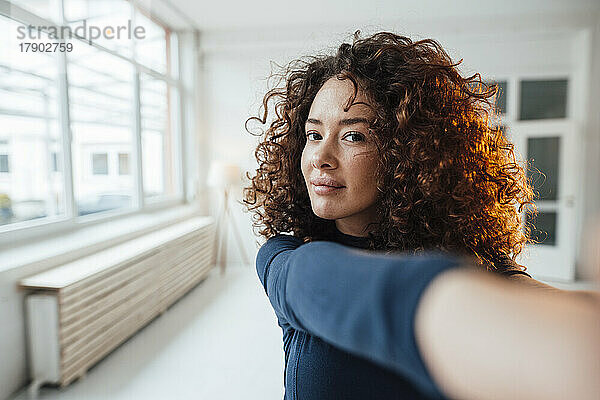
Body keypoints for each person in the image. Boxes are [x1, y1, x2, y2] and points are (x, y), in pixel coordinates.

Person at [243, 31, 600, 400]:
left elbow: (526, 297)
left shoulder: (468, 261)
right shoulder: (284, 256)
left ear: (406, 153)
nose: (320, 157)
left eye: (354, 137)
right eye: (313, 135)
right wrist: (447, 307)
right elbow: (315, 278)